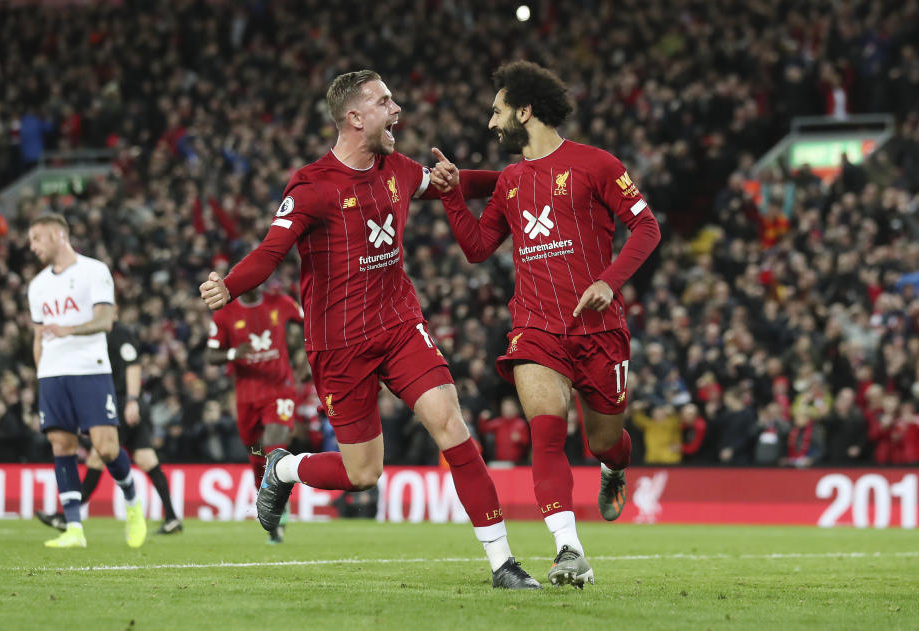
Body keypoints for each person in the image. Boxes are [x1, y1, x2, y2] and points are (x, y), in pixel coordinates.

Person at [200, 70, 539, 589]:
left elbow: (453, 182)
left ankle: (503, 564)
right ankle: (283, 470)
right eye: (385, 102)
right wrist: (229, 284)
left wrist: (522, 176)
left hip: (399, 324)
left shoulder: (398, 169)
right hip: (339, 345)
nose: (397, 109)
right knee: (362, 474)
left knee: (451, 424)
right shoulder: (312, 186)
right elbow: (272, 250)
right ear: (355, 118)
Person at [431, 60, 660, 587]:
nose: (492, 124)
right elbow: (476, 248)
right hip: (535, 328)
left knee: (605, 441)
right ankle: (569, 550)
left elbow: (646, 227)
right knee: (547, 433)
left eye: (497, 111)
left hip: (599, 331)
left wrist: (610, 280)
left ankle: (614, 466)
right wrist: (449, 196)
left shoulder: (596, 164)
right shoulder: (510, 182)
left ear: (525, 110)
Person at [27, 213, 146, 548]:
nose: (32, 247)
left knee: (106, 447)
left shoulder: (94, 271)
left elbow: (105, 319)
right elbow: (39, 336)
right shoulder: (37, 286)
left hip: (90, 369)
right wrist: (41, 376)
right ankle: (74, 529)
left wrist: (70, 329)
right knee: (61, 446)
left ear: (56, 235)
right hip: (52, 374)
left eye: (36, 239)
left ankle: (133, 502)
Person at [35, 318, 183, 535]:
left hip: (120, 403)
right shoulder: (94, 336)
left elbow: (133, 365)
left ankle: (68, 517)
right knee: (146, 458)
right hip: (118, 402)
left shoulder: (119, 333)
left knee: (97, 456)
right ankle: (172, 518)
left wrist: (132, 400)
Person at [206, 284, 306, 543]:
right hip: (247, 395)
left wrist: (307, 357)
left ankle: (280, 508)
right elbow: (210, 354)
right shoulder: (224, 314)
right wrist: (232, 353)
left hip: (279, 388)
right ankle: (268, 508)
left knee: (275, 446)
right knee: (256, 456)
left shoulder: (281, 303)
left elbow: (311, 321)